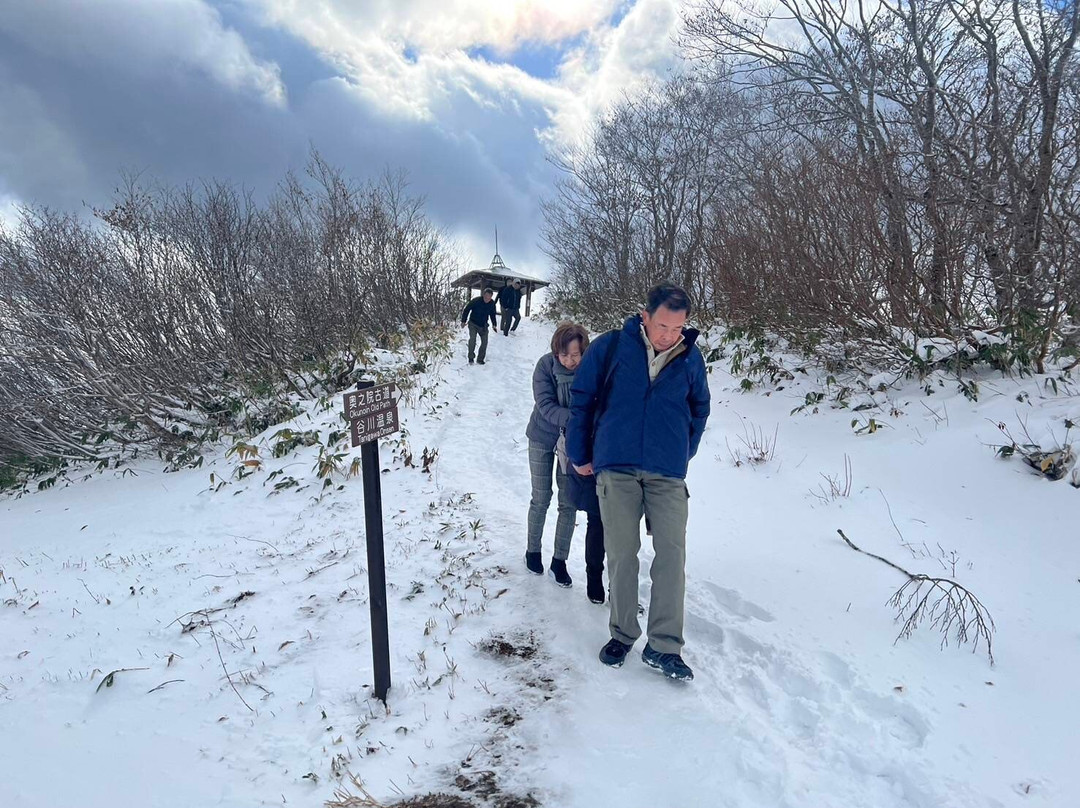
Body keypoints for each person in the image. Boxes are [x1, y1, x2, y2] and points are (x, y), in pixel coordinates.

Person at [566, 283, 710, 681]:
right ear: (644, 316)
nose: (669, 335)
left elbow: (700, 407)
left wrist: (683, 450)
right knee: (622, 551)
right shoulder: (611, 347)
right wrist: (581, 453)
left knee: (672, 556)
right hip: (617, 466)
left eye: (677, 328)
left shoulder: (689, 357)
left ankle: (664, 647)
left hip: (667, 471)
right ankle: (623, 633)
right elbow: (583, 398)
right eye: (663, 325)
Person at [524, 322, 605, 600]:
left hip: (572, 444)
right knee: (541, 497)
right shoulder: (545, 366)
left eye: (576, 355)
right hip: (541, 438)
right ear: (556, 351)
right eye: (565, 355)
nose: (570, 361)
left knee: (567, 504)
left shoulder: (590, 371)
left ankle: (560, 561)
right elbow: (545, 405)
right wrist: (578, 420)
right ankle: (532, 550)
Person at [460, 288, 498, 365]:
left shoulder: (492, 303)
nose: (488, 298)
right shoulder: (476, 301)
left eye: (490, 297)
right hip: (473, 323)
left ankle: (480, 359)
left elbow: (492, 314)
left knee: (485, 342)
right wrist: (463, 321)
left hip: (483, 325)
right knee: (472, 340)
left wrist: (494, 325)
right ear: (483, 295)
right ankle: (471, 357)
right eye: (486, 296)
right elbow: (467, 309)